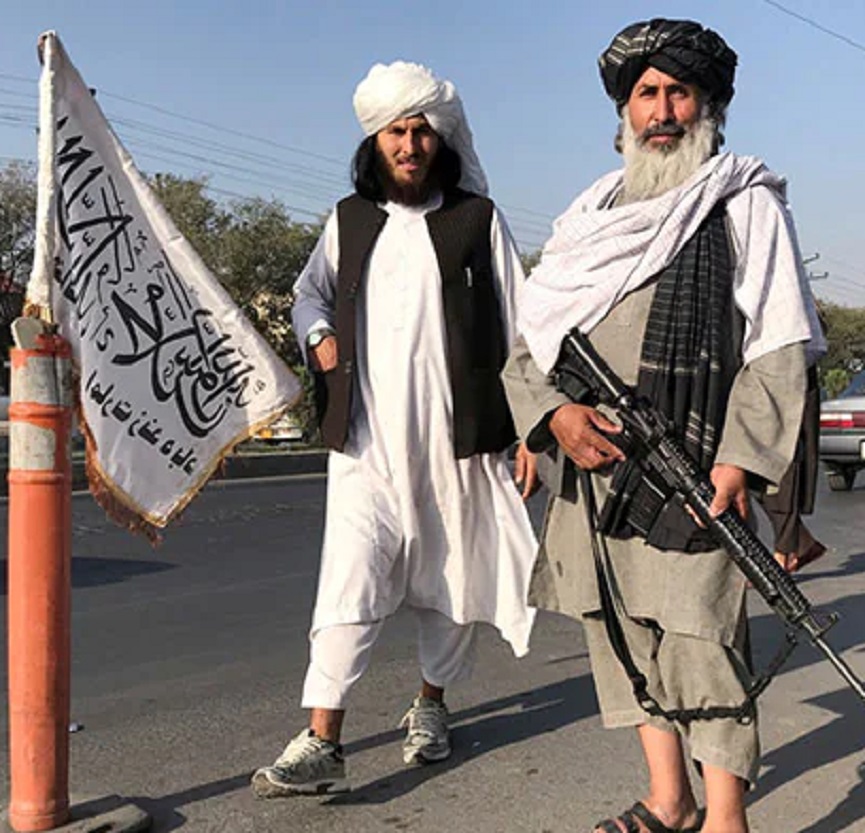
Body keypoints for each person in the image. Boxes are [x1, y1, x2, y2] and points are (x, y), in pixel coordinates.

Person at [502, 19, 825, 833]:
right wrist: (553, 415)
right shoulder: (588, 218)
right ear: (624, 110)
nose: (661, 110)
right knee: (620, 634)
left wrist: (740, 461)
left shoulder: (740, 203)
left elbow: (778, 344)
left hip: (692, 463)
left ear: (708, 106)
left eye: (678, 92)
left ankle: (725, 817)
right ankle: (668, 800)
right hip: (594, 466)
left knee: (700, 640)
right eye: (646, 93)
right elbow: (529, 341)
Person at [251, 60, 538, 799]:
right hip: (365, 443)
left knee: (451, 578)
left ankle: (431, 704)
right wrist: (319, 336)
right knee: (347, 580)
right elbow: (308, 294)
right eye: (395, 133)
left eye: (421, 131)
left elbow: (522, 326)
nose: (410, 146)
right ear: (374, 141)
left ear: (440, 139)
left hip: (459, 441)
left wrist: (531, 432)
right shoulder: (349, 220)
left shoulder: (477, 220)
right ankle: (323, 738)